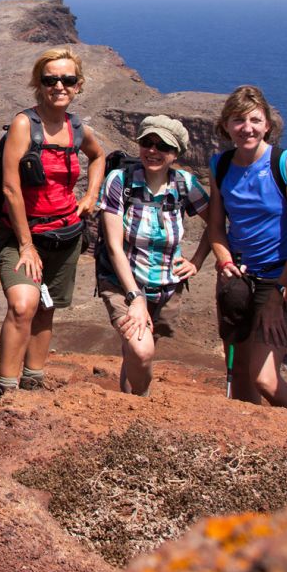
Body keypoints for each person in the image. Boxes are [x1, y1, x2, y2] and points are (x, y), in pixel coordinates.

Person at [0, 47, 104, 398]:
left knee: (47, 308)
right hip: (23, 236)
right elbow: (11, 189)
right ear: (38, 85)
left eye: (67, 80)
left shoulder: (77, 128)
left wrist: (90, 197)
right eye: (50, 79)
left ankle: (33, 382)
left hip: (66, 234)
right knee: (23, 305)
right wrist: (26, 245)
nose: (59, 85)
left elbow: (98, 156)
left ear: (78, 85)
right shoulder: (25, 124)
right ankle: (7, 391)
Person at [209, 85, 287, 416]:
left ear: (268, 124)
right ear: (226, 126)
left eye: (254, 119)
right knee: (239, 378)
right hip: (237, 279)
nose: (246, 128)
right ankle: (246, 447)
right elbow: (216, 226)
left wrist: (281, 293)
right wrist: (223, 260)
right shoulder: (219, 165)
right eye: (238, 120)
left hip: (279, 278)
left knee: (265, 379)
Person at [97, 116, 210, 395]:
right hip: (124, 284)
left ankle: (126, 411)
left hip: (167, 288)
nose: (153, 151)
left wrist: (197, 262)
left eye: (163, 146)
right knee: (142, 350)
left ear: (176, 153)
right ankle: (141, 407)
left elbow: (217, 225)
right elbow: (113, 246)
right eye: (148, 142)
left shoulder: (185, 184)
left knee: (136, 352)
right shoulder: (120, 181)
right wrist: (135, 298)